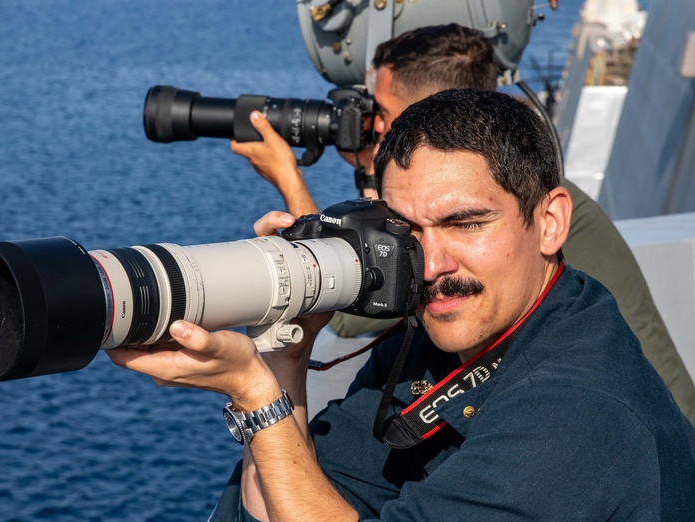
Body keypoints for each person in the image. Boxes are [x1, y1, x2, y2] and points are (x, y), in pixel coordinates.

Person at [109, 89, 695, 522]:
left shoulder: (576, 407)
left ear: (549, 222)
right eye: (407, 232)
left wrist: (254, 396)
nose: (432, 267)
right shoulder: (448, 335)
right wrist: (284, 356)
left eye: (465, 223)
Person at [231, 23, 695, 424]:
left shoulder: (523, 215)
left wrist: (289, 179)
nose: (372, 127)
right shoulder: (519, 186)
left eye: (384, 115)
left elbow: (355, 317)